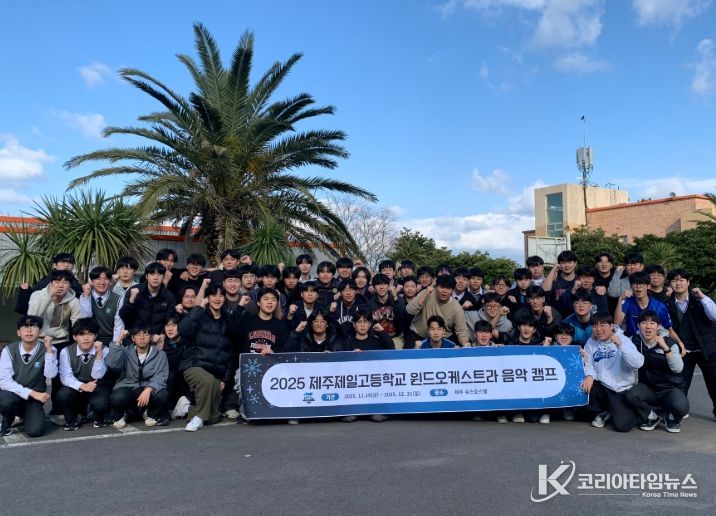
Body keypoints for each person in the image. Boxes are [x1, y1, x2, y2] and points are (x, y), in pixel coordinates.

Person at [178, 284, 242, 432]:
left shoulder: (228, 320)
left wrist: (224, 378)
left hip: (216, 371)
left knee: (213, 417)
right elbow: (183, 330)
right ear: (208, 298)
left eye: (221, 295)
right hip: (193, 364)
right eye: (214, 295)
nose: (217, 299)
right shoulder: (200, 315)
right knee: (208, 382)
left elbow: (230, 352)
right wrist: (198, 308)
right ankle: (199, 418)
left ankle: (186, 408)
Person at [28, 269, 82, 422]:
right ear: (50, 283)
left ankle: (57, 410)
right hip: (38, 341)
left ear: (70, 285)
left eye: (65, 282)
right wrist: (48, 297)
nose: (61, 285)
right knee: (35, 376)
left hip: (60, 341)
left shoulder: (73, 300)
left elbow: (77, 324)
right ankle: (29, 408)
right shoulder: (38, 295)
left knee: (59, 378)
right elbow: (31, 319)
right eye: (57, 282)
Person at [624, 311, 688, 433]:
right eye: (644, 323)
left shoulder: (670, 343)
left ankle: (670, 416)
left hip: (669, 388)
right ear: (638, 325)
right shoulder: (634, 341)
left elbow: (678, 368)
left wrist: (665, 348)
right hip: (647, 387)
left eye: (652, 323)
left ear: (658, 326)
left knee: (681, 407)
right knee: (631, 395)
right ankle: (652, 417)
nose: (648, 326)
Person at [665, 268, 716, 421]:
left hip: (706, 348)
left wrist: (703, 297)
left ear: (688, 282)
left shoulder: (700, 300)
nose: (678, 283)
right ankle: (680, 409)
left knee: (714, 382)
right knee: (680, 383)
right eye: (674, 280)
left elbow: (714, 316)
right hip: (683, 350)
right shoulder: (667, 303)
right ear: (670, 284)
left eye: (681, 280)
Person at [581, 313, 644, 432]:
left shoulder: (624, 340)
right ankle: (602, 412)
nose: (598, 329)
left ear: (611, 326)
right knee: (582, 388)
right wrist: (589, 376)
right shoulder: (591, 341)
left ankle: (629, 411)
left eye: (602, 325)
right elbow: (589, 363)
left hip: (620, 388)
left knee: (623, 426)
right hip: (602, 385)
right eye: (594, 326)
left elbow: (637, 363)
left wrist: (620, 345)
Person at [0, 316, 57, 437]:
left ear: (40, 332)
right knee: (6, 400)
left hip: (34, 399)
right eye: (25, 327)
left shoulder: (49, 349)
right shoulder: (9, 350)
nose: (29, 330)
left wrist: (48, 350)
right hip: (13, 394)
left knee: (35, 431)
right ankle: (8, 419)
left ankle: (24, 416)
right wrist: (31, 392)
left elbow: (51, 374)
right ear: (18, 332)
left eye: (33, 326)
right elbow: (4, 381)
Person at [106, 325, 170, 429]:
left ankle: (150, 414)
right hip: (128, 387)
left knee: (163, 395)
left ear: (151, 337)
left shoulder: (160, 354)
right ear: (132, 338)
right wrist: (118, 341)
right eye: (138, 334)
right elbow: (112, 364)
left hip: (148, 389)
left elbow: (161, 375)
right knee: (117, 397)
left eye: (146, 334)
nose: (142, 338)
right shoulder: (125, 351)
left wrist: (149, 388)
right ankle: (122, 414)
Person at [56, 318, 111, 430]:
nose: (86, 338)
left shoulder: (104, 350)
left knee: (100, 403)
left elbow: (97, 375)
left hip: (98, 385)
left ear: (95, 336)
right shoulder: (66, 351)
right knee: (63, 394)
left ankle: (98, 416)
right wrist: (82, 385)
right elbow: (66, 376)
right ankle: (72, 420)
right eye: (81, 334)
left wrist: (99, 354)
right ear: (74, 337)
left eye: (90, 334)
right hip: (77, 386)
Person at [614, 272, 683, 353]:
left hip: (654, 345)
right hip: (633, 344)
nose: (638, 286)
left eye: (642, 283)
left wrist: (680, 343)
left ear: (648, 286)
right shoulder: (628, 302)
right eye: (635, 283)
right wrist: (620, 300)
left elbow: (669, 329)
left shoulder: (659, 306)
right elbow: (617, 322)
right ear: (631, 286)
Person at [407, 275, 470, 347]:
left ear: (452, 290)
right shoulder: (427, 293)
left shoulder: (456, 308)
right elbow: (410, 310)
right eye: (442, 287)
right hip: (418, 334)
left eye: (448, 288)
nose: (444, 291)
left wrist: (465, 344)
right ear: (436, 287)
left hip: (443, 339)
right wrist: (426, 293)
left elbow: (462, 331)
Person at [120, 262, 177, 339]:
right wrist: (131, 301)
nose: (155, 278)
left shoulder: (169, 296)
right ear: (146, 276)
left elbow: (169, 320)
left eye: (159, 274)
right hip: (136, 337)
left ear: (163, 277)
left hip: (157, 338)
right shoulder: (134, 290)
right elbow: (124, 317)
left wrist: (162, 335)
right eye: (152, 274)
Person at [15, 252, 82, 315]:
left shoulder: (75, 282)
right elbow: (27, 308)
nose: (66, 265)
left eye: (70, 263)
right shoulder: (46, 281)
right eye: (63, 262)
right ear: (55, 265)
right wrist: (24, 292)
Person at [79, 266, 124, 346]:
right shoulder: (84, 297)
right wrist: (86, 297)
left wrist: (115, 345)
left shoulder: (118, 299)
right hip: (91, 340)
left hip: (111, 339)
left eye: (106, 279)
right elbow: (86, 320)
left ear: (110, 282)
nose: (102, 282)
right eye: (98, 279)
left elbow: (119, 325)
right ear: (91, 281)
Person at [542, 250, 578, 318]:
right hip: (556, 318)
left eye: (570, 262)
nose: (567, 265)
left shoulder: (579, 279)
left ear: (575, 263)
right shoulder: (554, 278)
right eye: (563, 263)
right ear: (559, 264)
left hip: (575, 319)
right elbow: (544, 290)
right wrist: (553, 269)